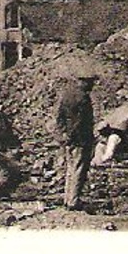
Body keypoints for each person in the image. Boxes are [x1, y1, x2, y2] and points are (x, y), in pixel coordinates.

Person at [55, 74, 97, 210]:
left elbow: (60, 117)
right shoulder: (83, 98)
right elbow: (81, 122)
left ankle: (68, 199)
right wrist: (76, 136)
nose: (92, 86)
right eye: (90, 82)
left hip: (69, 138)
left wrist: (64, 134)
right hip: (80, 139)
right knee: (78, 169)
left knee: (70, 169)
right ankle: (73, 201)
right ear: (83, 82)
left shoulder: (67, 96)